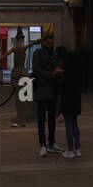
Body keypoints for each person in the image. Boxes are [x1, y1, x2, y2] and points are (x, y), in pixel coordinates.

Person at [31, 27, 63, 156]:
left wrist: (58, 71)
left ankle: (51, 143)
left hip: (53, 91)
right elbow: (36, 69)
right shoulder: (38, 53)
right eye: (49, 43)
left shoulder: (54, 55)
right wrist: (52, 74)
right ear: (44, 42)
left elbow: (56, 67)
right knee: (41, 118)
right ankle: (43, 144)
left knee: (51, 118)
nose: (51, 45)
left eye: (52, 43)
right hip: (42, 90)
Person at [58, 46, 84, 159]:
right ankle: (77, 149)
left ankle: (70, 149)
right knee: (75, 123)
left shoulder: (66, 73)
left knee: (68, 124)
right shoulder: (77, 72)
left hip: (67, 100)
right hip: (76, 99)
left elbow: (62, 84)